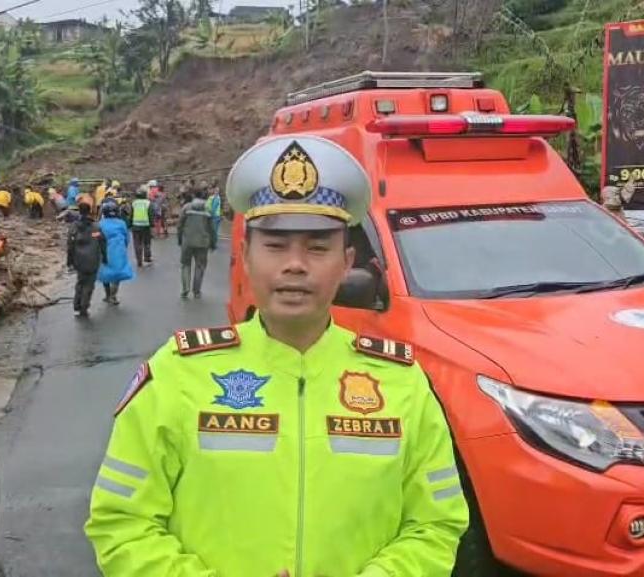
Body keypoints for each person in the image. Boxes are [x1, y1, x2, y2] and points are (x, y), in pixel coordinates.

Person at [85, 135, 469, 577]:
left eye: (317, 247)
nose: (295, 265)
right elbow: (122, 522)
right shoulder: (180, 372)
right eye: (275, 245)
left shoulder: (400, 382)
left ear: (347, 264)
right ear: (245, 256)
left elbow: (437, 524)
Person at [67, 203, 106, 317]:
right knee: (89, 284)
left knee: (80, 282)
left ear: (79, 211)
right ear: (90, 211)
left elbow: (70, 244)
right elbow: (102, 241)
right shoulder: (95, 227)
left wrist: (69, 261)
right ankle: (84, 306)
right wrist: (105, 256)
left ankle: (77, 305)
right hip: (92, 259)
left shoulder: (74, 227)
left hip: (79, 260)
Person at [177, 189, 214, 299]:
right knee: (200, 266)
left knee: (185, 265)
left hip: (187, 241)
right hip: (203, 242)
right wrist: (213, 243)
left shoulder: (186, 208)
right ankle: (196, 291)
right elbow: (212, 229)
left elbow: (180, 225)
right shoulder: (208, 209)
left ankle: (185, 289)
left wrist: (180, 239)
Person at [97, 203, 134, 306]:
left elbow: (95, 237)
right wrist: (124, 247)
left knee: (105, 272)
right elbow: (127, 237)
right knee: (117, 274)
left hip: (104, 251)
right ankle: (113, 296)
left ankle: (107, 295)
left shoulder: (100, 224)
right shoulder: (121, 223)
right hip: (118, 250)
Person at [129, 191, 153, 266]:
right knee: (146, 242)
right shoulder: (148, 203)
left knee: (137, 243)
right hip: (145, 225)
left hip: (135, 225)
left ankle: (139, 260)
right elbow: (150, 214)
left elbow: (131, 214)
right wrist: (151, 224)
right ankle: (147, 257)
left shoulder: (134, 203)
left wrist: (130, 224)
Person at [206, 179, 223, 249]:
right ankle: (213, 243)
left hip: (215, 216)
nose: (215, 192)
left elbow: (213, 208)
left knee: (213, 231)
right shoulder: (218, 198)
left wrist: (210, 215)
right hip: (218, 216)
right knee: (215, 230)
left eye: (216, 191)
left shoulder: (216, 198)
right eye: (215, 190)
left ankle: (212, 244)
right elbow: (220, 208)